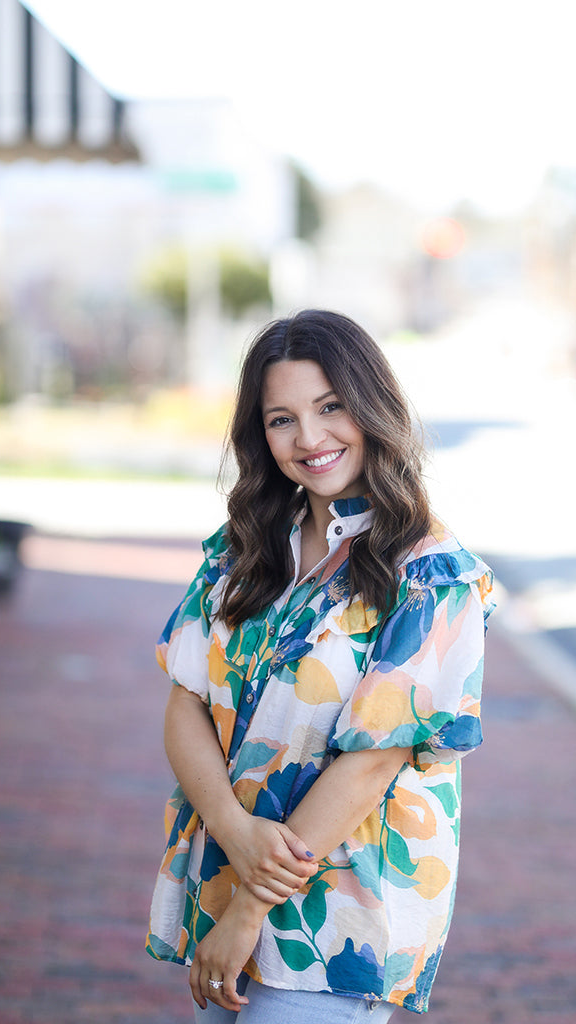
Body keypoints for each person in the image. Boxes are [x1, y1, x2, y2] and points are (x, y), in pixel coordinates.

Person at [146, 309, 494, 1022]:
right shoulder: (242, 549)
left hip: (340, 915)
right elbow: (185, 700)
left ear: (372, 407)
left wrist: (248, 908)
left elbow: (370, 762)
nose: (308, 438)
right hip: (225, 876)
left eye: (330, 407)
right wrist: (234, 833)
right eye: (281, 418)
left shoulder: (430, 576)